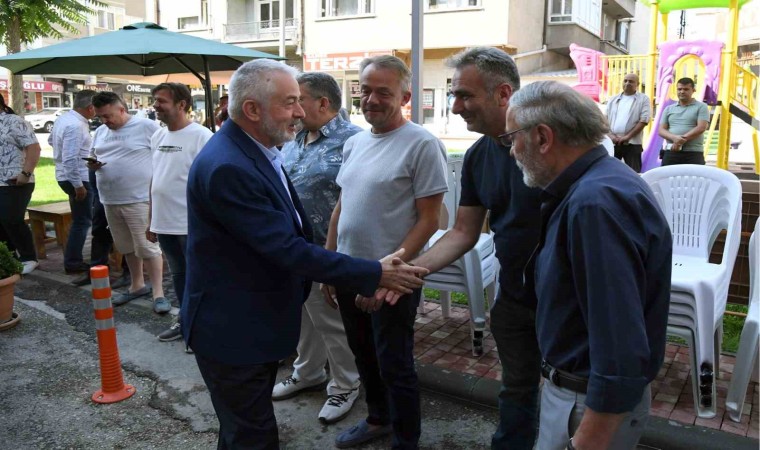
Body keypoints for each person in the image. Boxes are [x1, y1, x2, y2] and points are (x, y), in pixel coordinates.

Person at [182, 59, 429, 450]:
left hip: (250, 322)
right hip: (235, 330)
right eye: (290, 102)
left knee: (244, 430)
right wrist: (372, 272)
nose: (300, 112)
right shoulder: (230, 165)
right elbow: (285, 247)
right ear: (252, 110)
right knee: (252, 436)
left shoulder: (256, 150)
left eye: (300, 101)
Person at [506, 81, 672, 450]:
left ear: (543, 137)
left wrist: (588, 439)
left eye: (512, 138)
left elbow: (619, 341)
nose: (512, 150)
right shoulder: (598, 183)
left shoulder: (594, 203)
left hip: (587, 407)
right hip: (578, 396)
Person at [407, 47, 542, 450]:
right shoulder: (479, 155)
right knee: (517, 389)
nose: (455, 107)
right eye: (454, 95)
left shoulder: (548, 143)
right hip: (514, 297)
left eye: (465, 95)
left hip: (568, 301)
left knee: (570, 393)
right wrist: (410, 271)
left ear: (503, 94)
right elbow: (463, 232)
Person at [325, 55, 448, 450]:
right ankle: (378, 419)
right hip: (350, 270)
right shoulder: (355, 143)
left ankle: (406, 439)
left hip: (394, 276)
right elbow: (342, 206)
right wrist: (330, 264)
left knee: (394, 363)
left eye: (383, 92)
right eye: (365, 90)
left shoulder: (422, 144)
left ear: (405, 97)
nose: (371, 100)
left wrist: (387, 276)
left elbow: (429, 220)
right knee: (363, 355)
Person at [273, 73, 364, 424]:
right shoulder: (295, 137)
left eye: (299, 100)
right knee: (304, 316)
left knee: (331, 321)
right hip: (295, 247)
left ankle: (345, 384)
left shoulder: (353, 140)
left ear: (323, 103)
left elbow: (356, 199)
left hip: (329, 250)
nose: (294, 108)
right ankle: (308, 371)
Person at [88, 92, 168, 313]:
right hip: (110, 199)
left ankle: (158, 293)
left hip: (139, 198)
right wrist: (93, 164)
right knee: (126, 246)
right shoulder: (101, 132)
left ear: (122, 109)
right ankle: (137, 285)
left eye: (108, 116)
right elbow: (93, 154)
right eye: (100, 117)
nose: (104, 121)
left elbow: (164, 155)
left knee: (147, 247)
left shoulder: (146, 127)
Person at [147, 83, 213, 344]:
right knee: (178, 276)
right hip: (164, 222)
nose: (155, 105)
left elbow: (210, 183)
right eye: (155, 100)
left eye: (161, 101)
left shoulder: (202, 136)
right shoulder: (158, 136)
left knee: (199, 277)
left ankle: (202, 328)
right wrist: (151, 220)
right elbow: (155, 179)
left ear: (182, 104)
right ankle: (185, 321)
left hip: (190, 223)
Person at [49, 89, 97, 274]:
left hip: (68, 175)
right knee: (82, 221)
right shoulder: (76, 125)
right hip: (77, 178)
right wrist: (78, 185)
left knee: (82, 219)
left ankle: (74, 259)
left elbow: (51, 141)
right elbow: (70, 158)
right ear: (90, 107)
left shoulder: (64, 119)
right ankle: (73, 262)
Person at [0, 93, 41, 275]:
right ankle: (9, 259)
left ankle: (29, 257)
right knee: (2, 222)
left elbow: (34, 148)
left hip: (15, 180)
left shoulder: (14, 121)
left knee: (11, 219)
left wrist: (26, 173)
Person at [658, 77, 709, 166]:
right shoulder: (668, 109)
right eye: (679, 89)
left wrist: (680, 140)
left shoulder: (701, 107)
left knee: (694, 175)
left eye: (686, 89)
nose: (682, 92)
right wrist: (675, 138)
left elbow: (701, 127)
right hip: (671, 151)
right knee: (667, 175)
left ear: (693, 90)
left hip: (693, 153)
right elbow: (661, 130)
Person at [606, 73, 651, 172]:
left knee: (634, 173)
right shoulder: (613, 99)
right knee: (610, 171)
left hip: (632, 143)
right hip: (613, 143)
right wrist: (611, 136)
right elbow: (604, 120)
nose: (627, 83)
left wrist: (627, 137)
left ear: (637, 84)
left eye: (631, 81)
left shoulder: (643, 99)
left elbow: (644, 120)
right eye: (625, 81)